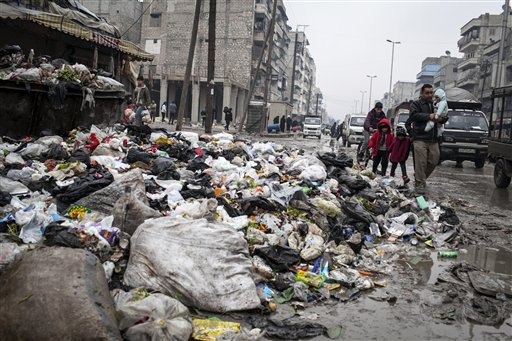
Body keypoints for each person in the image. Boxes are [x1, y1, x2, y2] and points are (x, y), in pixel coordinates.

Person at [406, 84, 449, 194]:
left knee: (434, 159)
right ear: (422, 93)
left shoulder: (436, 103)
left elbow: (445, 115)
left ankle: (420, 177)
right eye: (427, 93)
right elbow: (414, 116)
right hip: (420, 137)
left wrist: (440, 118)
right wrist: (429, 116)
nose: (430, 95)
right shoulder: (416, 104)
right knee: (421, 162)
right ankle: (420, 185)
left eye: (431, 92)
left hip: (433, 139)